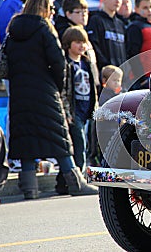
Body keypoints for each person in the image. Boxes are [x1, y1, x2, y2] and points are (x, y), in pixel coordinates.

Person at [5, 0, 97, 199]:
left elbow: (7, 60)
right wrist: (58, 85)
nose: (53, 12)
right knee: (60, 139)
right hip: (45, 91)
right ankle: (76, 184)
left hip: (20, 92)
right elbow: (58, 63)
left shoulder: (13, 30)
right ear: (44, 8)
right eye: (52, 9)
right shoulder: (44, 28)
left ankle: (30, 189)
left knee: (25, 139)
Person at [59, 26, 98, 194]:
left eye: (84, 42)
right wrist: (67, 113)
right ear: (68, 44)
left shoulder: (86, 62)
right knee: (79, 144)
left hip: (85, 110)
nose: (82, 46)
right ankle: (78, 179)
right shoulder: (66, 63)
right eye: (77, 42)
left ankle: (66, 182)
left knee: (85, 144)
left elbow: (94, 83)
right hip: (74, 112)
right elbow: (64, 92)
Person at [86, 0, 126, 71]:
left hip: (121, 75)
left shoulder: (121, 24)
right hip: (105, 73)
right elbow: (94, 46)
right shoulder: (96, 20)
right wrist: (105, 66)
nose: (118, 1)